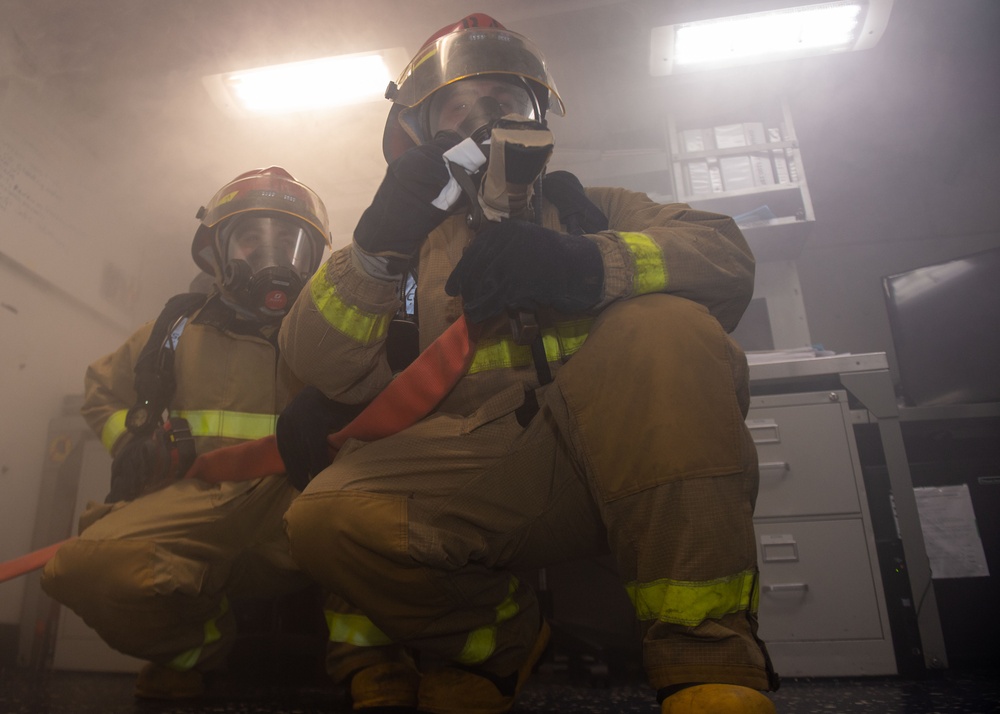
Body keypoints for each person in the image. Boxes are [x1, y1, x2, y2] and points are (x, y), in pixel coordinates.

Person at [278, 13, 780, 714]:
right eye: (460, 106)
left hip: (629, 457)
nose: (486, 120)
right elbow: (316, 362)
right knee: (324, 520)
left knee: (664, 322)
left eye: (505, 102)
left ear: (539, 116)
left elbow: (727, 258)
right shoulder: (402, 252)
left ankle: (706, 660)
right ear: (422, 135)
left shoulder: (597, 211)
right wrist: (374, 250)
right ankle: (491, 650)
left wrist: (588, 263)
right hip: (492, 470)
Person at [41, 167, 333, 700]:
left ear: (314, 257)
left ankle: (375, 666)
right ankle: (193, 648)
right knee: (81, 569)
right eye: (250, 237)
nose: (272, 257)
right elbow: (101, 392)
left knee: (378, 525)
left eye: (289, 240)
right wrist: (133, 445)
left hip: (300, 510)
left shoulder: (336, 335)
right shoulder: (175, 331)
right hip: (195, 511)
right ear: (216, 254)